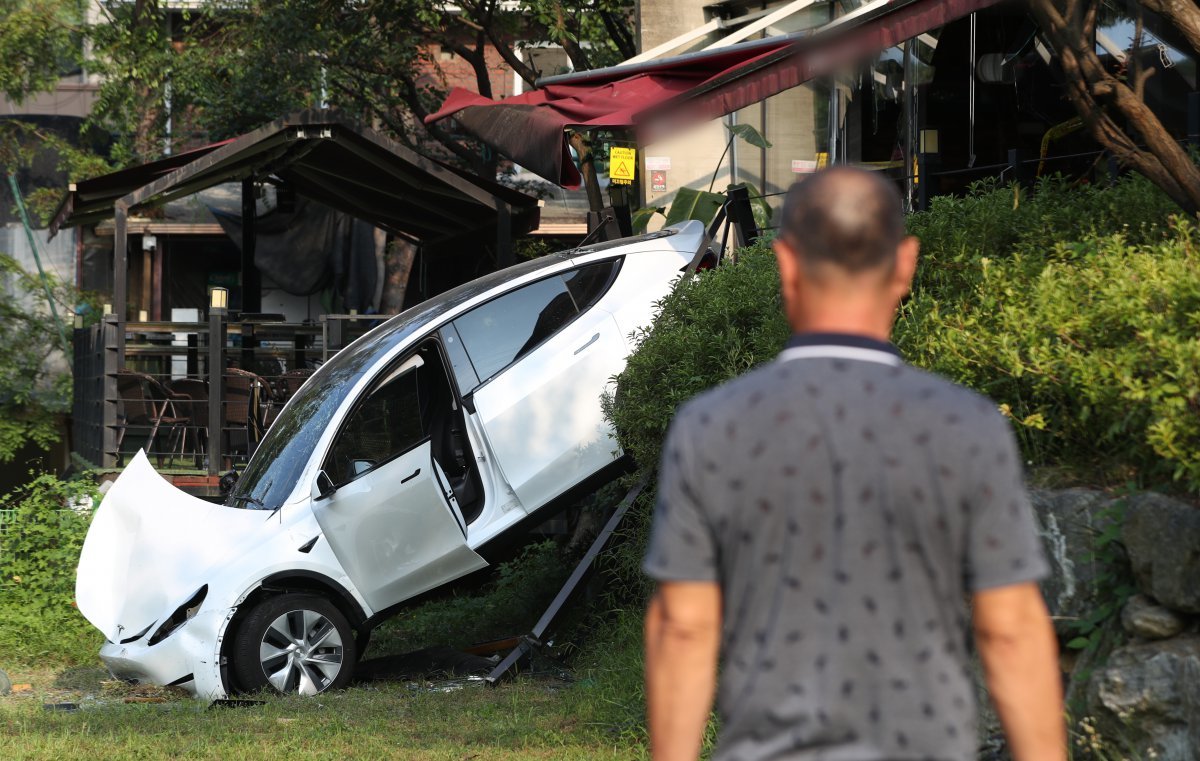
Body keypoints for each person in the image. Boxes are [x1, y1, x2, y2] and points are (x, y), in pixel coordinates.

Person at [643, 167, 1065, 761]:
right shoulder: (965, 426)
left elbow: (683, 627)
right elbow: (1011, 627)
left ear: (785, 264)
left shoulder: (712, 426)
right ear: (905, 263)